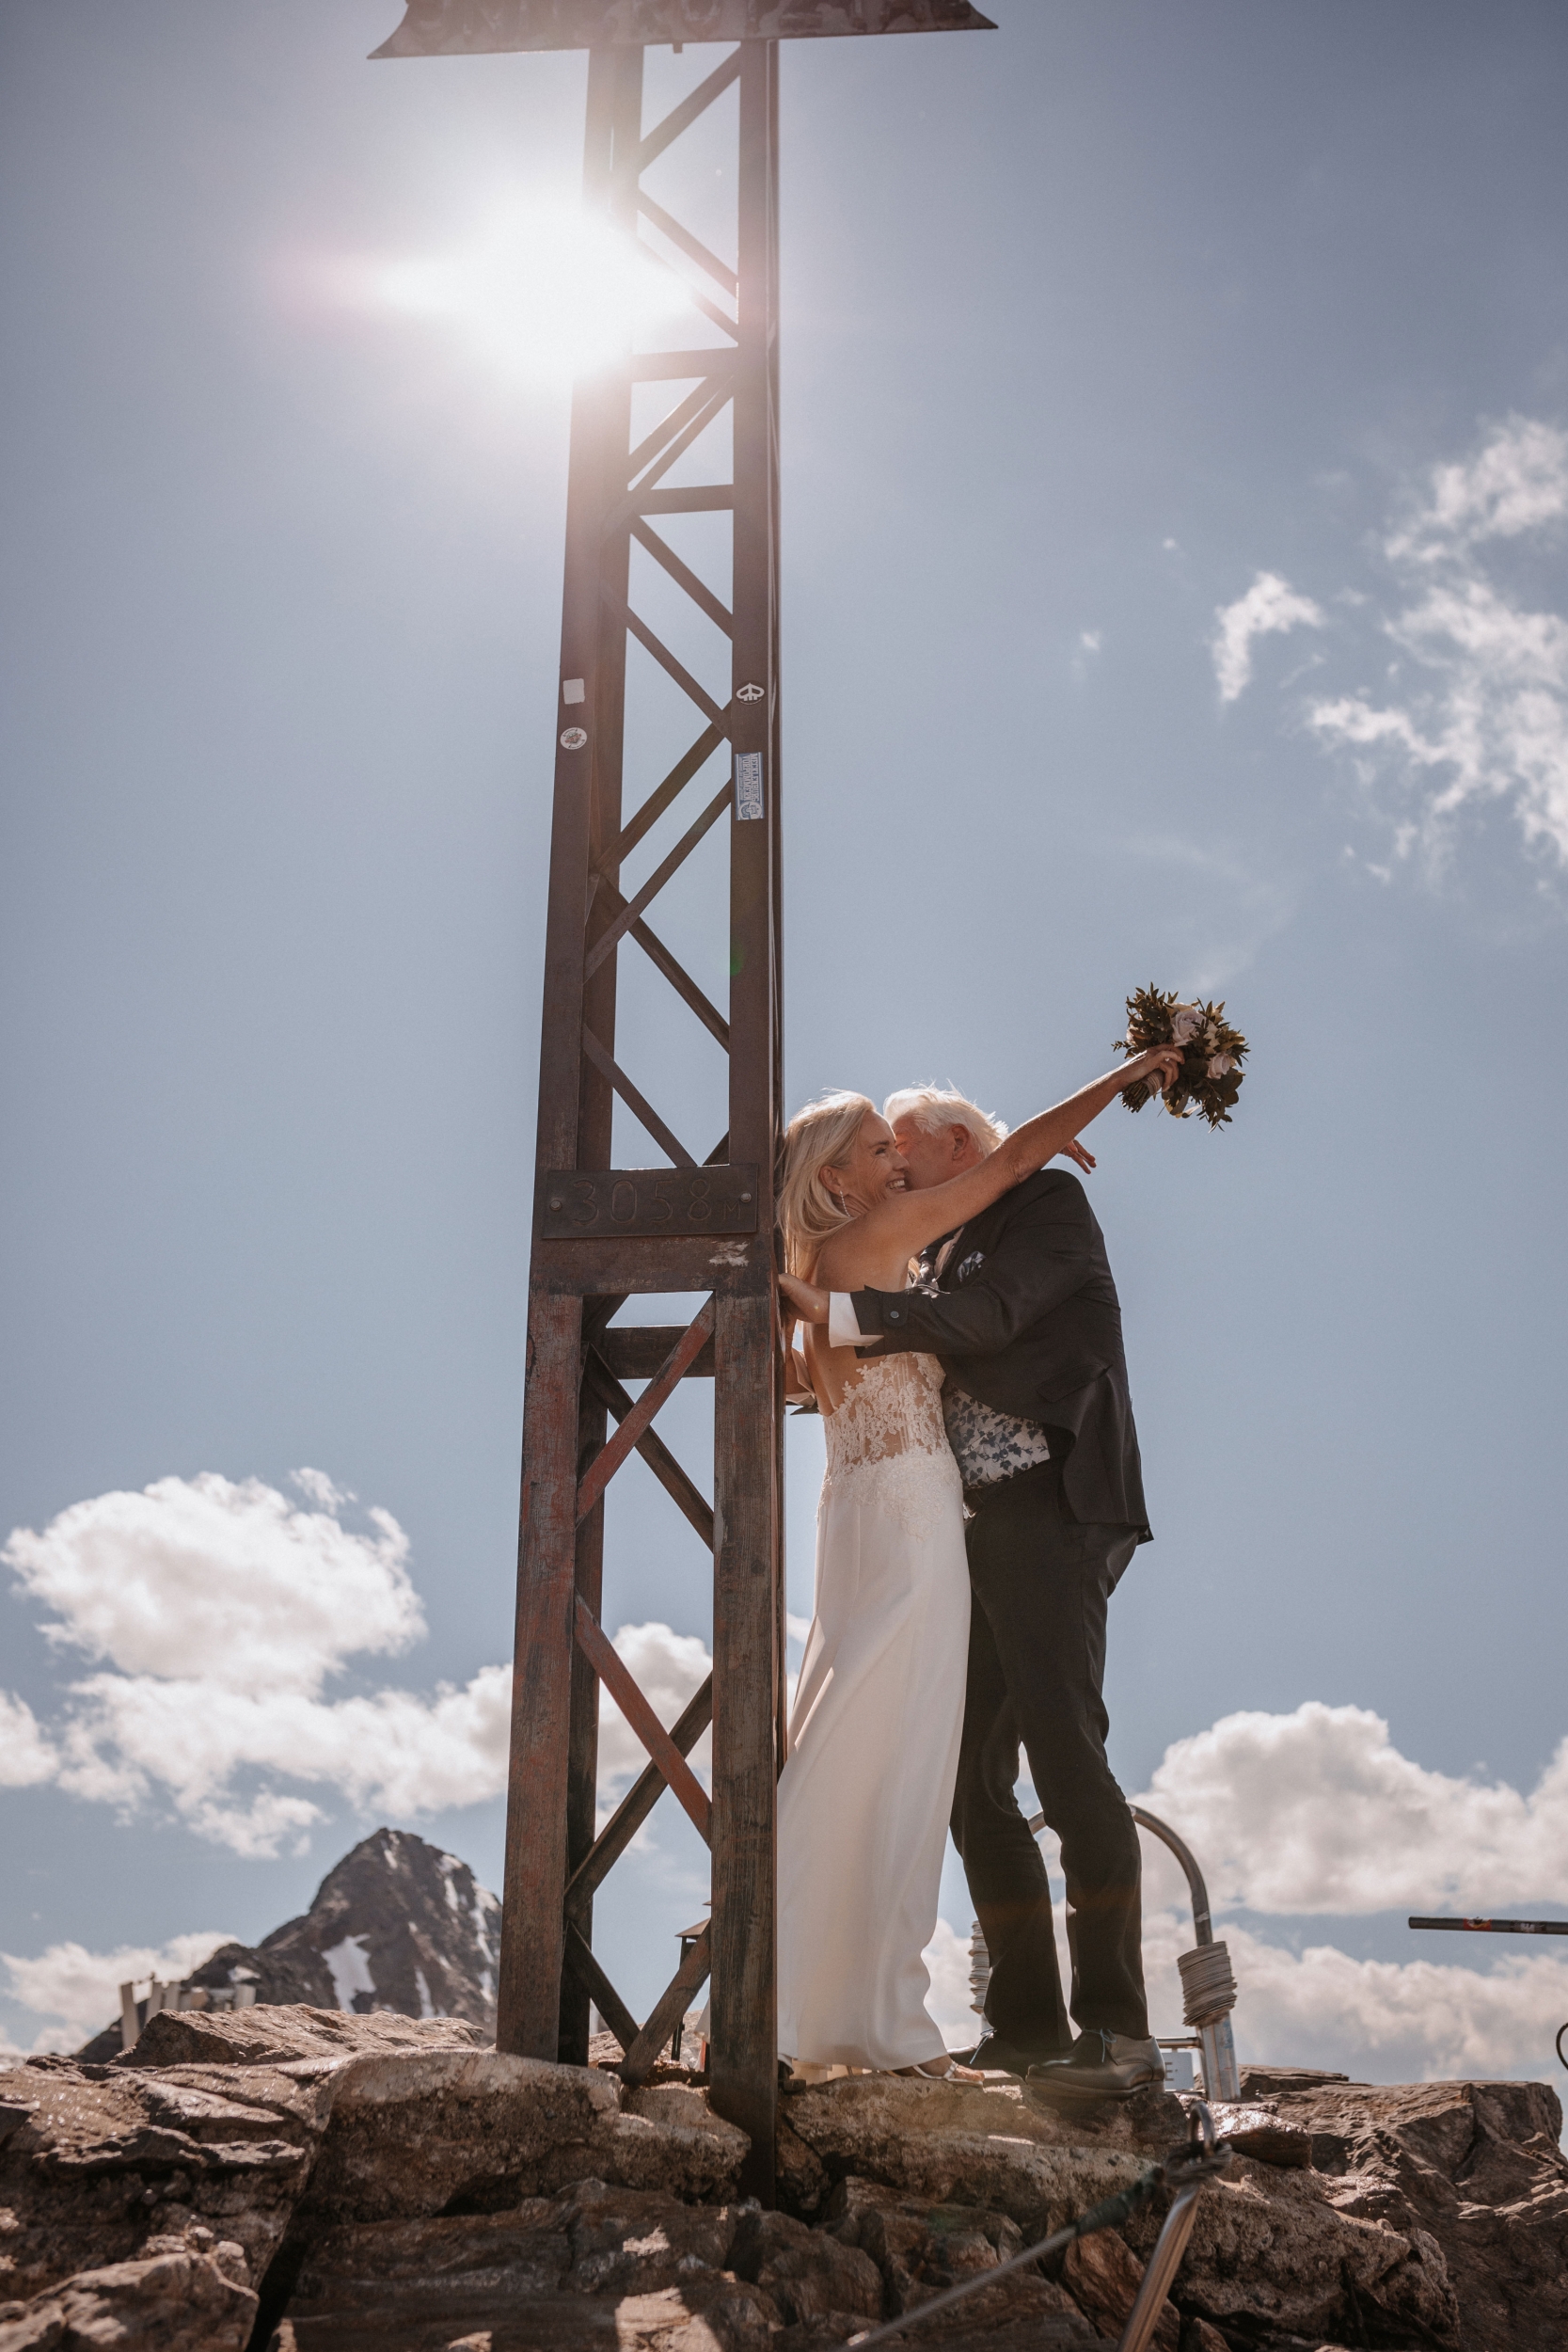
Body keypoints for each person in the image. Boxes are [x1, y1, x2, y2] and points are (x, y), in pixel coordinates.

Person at [772, 1043, 1178, 2083]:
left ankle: (1117, 2032)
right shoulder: (928, 1243)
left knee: (1065, 1758)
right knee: (965, 1783)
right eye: (880, 1157)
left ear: (957, 1143)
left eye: (902, 1152)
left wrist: (836, 1315)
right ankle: (1028, 2027)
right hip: (959, 1532)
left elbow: (990, 1319)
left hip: (1047, 1514)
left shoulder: (1043, 1207)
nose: (897, 1171)